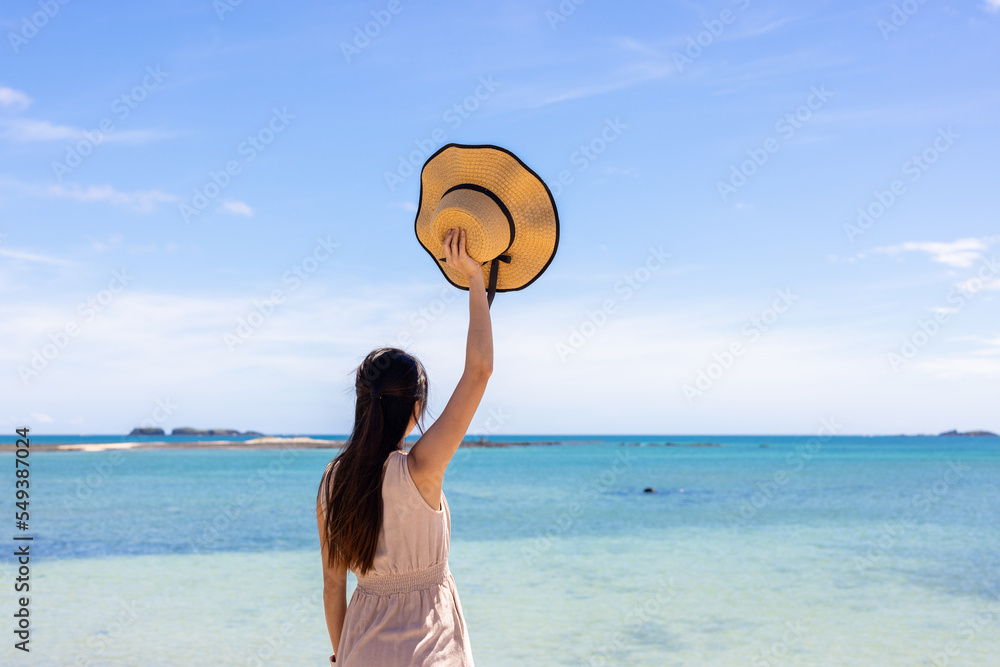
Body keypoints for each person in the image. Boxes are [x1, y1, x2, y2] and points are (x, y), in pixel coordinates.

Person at [317, 227, 492, 666]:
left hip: (359, 648)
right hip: (428, 652)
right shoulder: (421, 469)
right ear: (416, 407)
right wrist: (475, 280)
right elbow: (479, 372)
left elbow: (332, 585)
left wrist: (340, 656)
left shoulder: (333, 480)